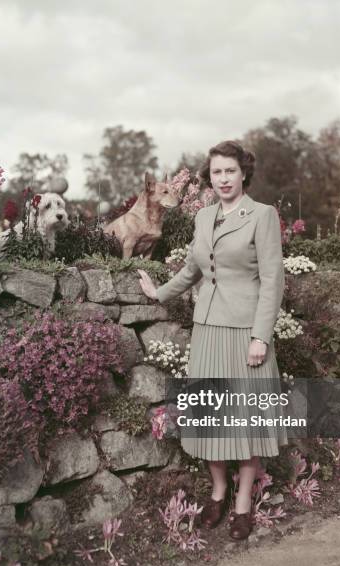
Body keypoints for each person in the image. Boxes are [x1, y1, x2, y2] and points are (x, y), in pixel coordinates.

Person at [137, 140, 288, 540]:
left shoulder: (263, 215)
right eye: (217, 171)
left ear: (243, 174)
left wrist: (261, 336)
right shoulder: (203, 218)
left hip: (245, 336)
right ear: (211, 176)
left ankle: (242, 505)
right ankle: (218, 493)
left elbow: (273, 281)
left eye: (230, 171)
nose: (223, 178)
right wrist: (159, 293)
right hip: (207, 331)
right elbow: (191, 270)